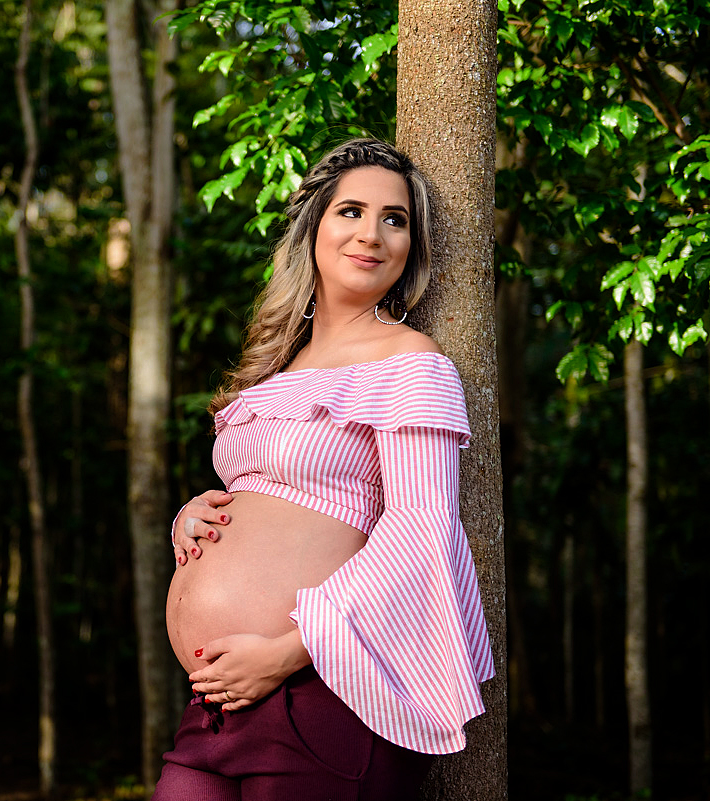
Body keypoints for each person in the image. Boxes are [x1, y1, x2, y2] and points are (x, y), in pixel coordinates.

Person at [155, 138, 495, 801]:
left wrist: (285, 651)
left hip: (329, 690)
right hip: (217, 700)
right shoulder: (275, 367)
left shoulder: (409, 360)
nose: (372, 233)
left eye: (395, 219)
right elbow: (266, 495)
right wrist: (191, 514)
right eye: (352, 211)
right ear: (315, 225)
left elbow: (422, 528)